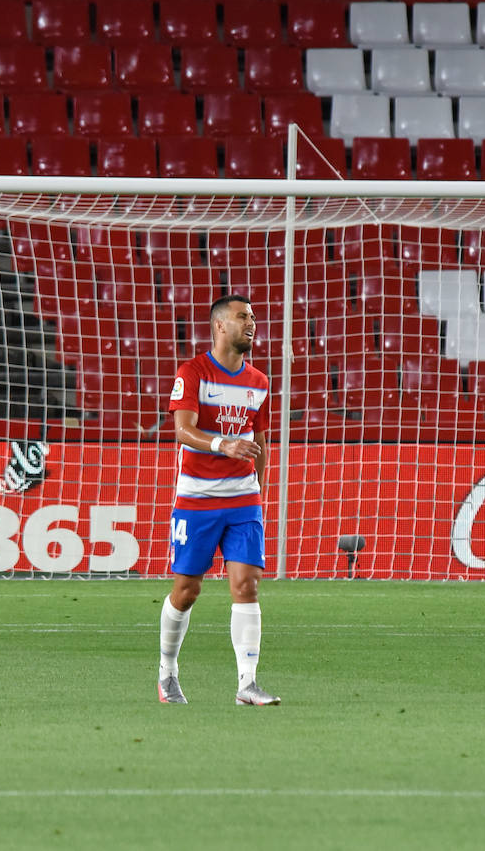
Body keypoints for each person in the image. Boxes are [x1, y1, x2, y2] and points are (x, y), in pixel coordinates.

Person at [156, 294, 279, 706]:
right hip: (196, 499)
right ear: (221, 325)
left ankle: (247, 683)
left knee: (247, 586)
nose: (252, 323)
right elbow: (182, 431)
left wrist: (257, 489)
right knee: (187, 590)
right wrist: (222, 443)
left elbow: (260, 442)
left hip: (243, 500)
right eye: (243, 317)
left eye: (254, 318)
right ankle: (167, 672)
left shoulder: (259, 382)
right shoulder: (193, 373)